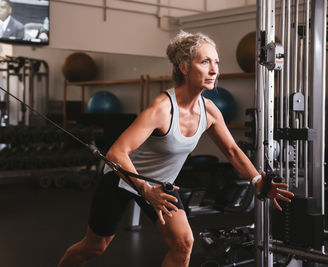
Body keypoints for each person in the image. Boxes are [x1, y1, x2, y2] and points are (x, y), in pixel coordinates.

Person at [57, 31, 294, 267]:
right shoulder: (162, 109)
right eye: (204, 62)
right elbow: (116, 154)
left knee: (183, 244)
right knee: (94, 247)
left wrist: (256, 180)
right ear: (183, 67)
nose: (214, 70)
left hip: (161, 184)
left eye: (216, 62)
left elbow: (231, 150)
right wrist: (145, 190)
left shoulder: (210, 110)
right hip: (121, 180)